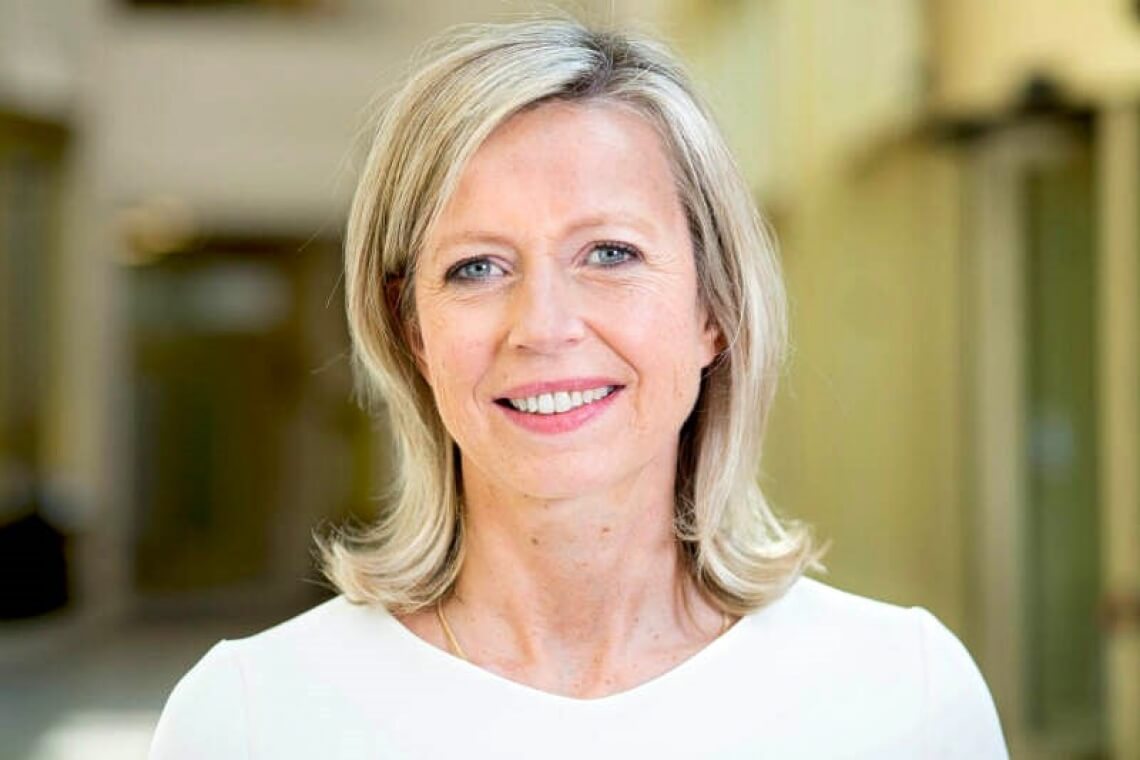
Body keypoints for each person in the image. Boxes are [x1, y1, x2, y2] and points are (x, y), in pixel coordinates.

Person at [150, 17, 1008, 759]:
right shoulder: (249, 720)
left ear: (713, 307)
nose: (544, 326)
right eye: (478, 266)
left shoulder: (905, 697)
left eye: (609, 253)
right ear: (413, 332)